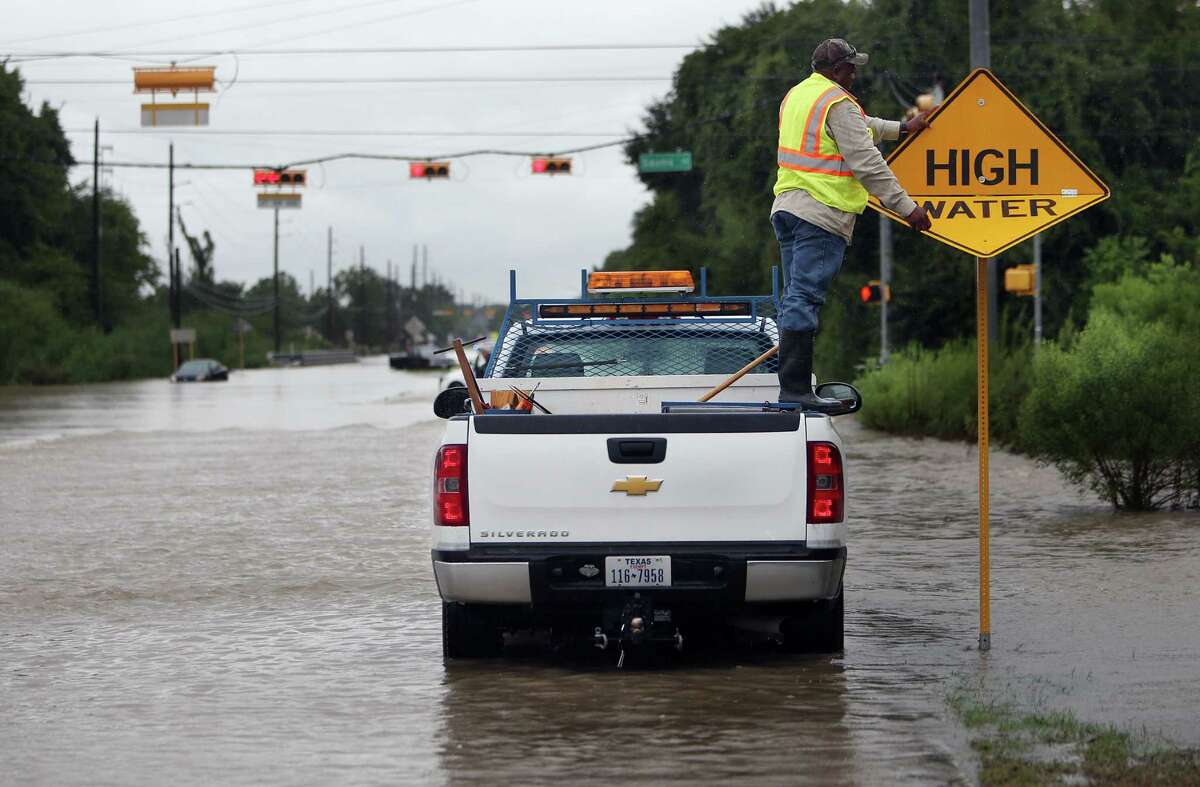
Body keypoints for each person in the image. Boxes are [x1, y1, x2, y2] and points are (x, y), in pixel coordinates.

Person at [772, 37, 932, 412]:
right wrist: (908, 209)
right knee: (804, 297)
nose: (855, 72)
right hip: (822, 213)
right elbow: (868, 163)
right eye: (851, 66)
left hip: (788, 208)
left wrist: (903, 128)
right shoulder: (837, 102)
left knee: (794, 297)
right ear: (836, 70)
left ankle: (792, 387)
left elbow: (861, 125)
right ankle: (794, 390)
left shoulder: (798, 95)